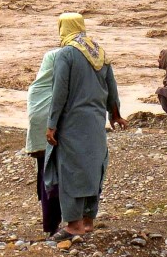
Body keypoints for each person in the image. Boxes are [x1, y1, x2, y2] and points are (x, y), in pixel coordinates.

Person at [45, 13, 126, 238]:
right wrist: (115, 114)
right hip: (96, 122)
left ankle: (74, 225)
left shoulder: (66, 54)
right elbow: (112, 87)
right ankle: (89, 221)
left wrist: (51, 124)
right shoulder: (98, 52)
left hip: (72, 123)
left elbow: (59, 92)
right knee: (92, 169)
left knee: (70, 171)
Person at [25, 45, 63, 236]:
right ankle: (53, 224)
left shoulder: (37, 87)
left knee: (44, 172)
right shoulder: (57, 88)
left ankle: (50, 224)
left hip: (41, 139)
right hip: (53, 135)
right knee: (55, 175)